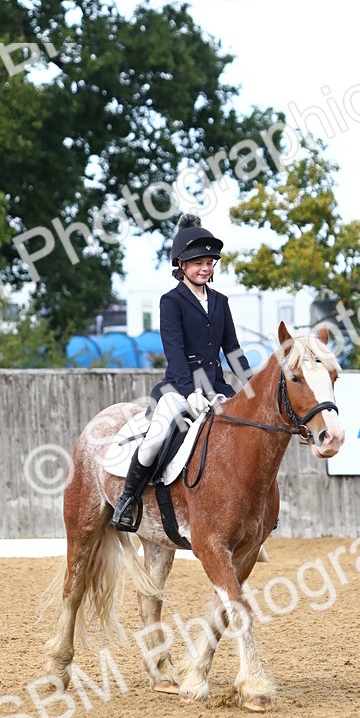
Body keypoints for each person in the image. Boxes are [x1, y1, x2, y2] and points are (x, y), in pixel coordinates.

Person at [112, 213, 253, 531]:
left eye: (209, 262)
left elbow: (232, 350)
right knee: (154, 439)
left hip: (218, 388)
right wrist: (193, 394)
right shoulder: (171, 302)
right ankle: (127, 501)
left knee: (249, 436)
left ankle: (252, 508)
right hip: (179, 389)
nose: (204, 268)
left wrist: (253, 386)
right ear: (181, 265)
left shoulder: (221, 302)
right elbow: (175, 355)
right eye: (197, 262)